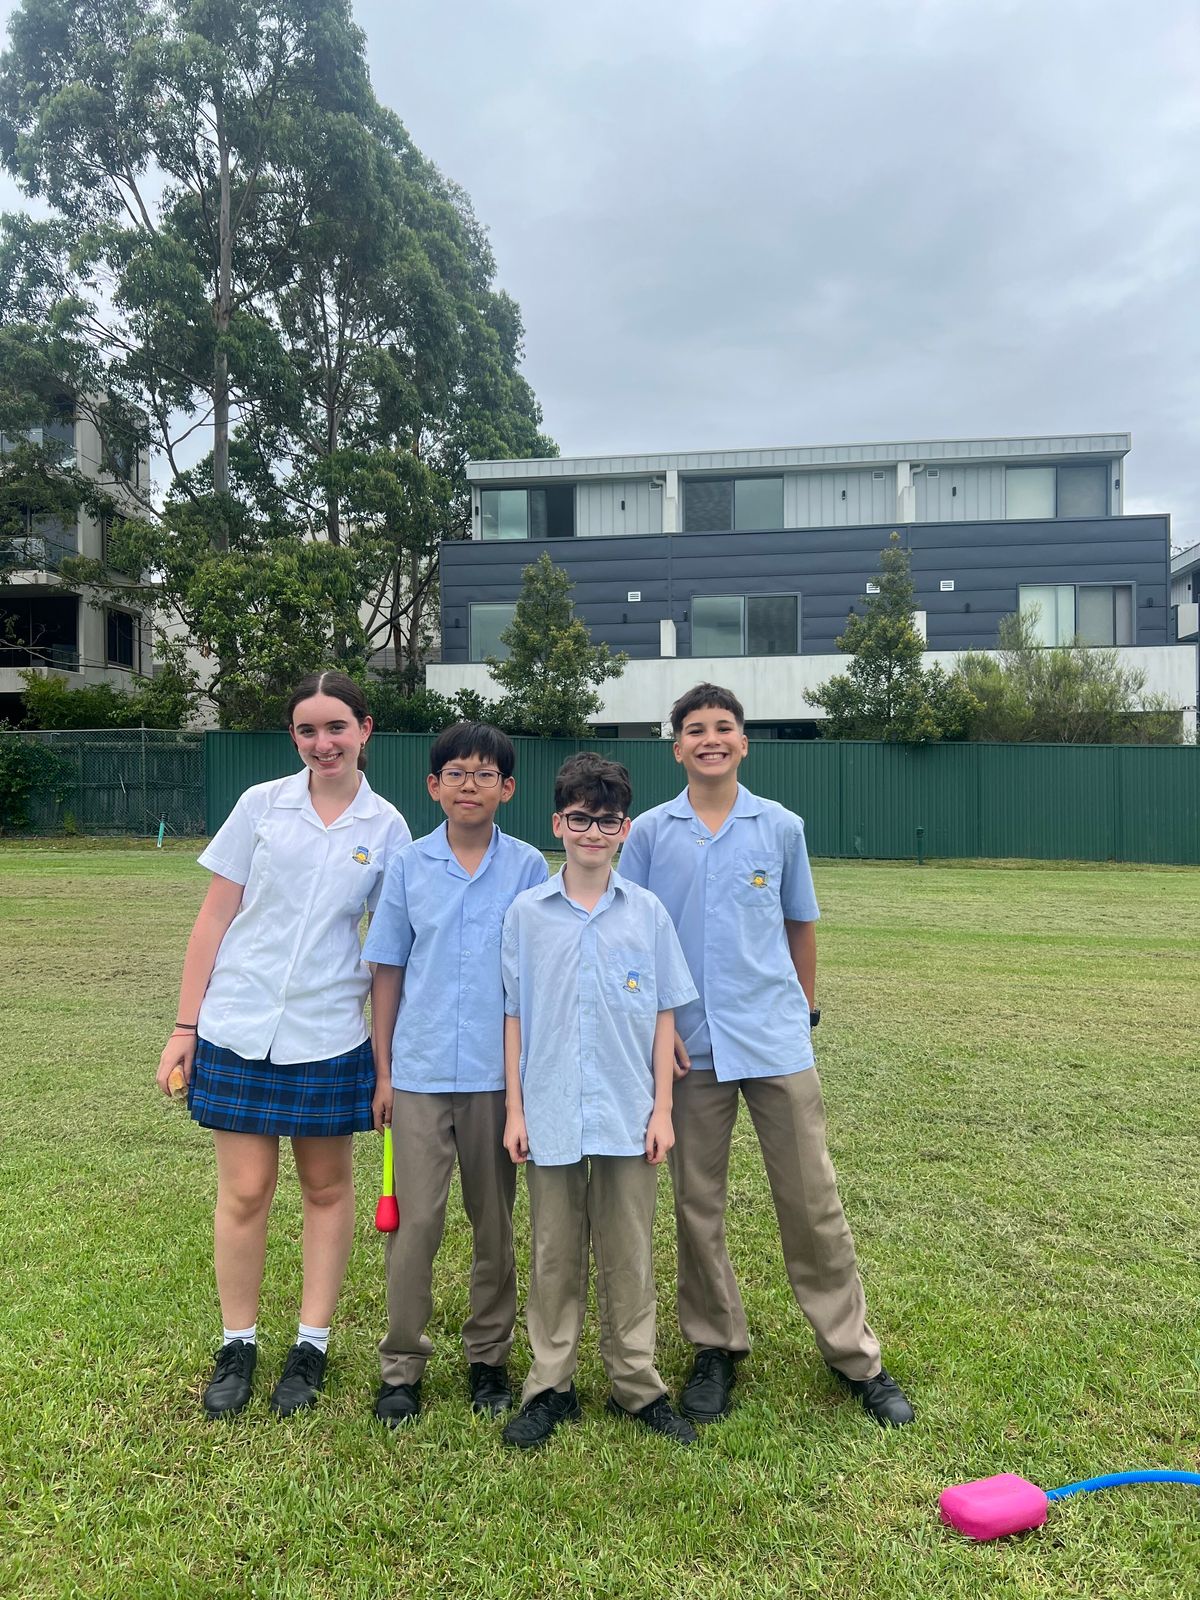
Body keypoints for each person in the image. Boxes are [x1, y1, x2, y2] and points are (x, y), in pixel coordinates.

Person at [619, 683, 915, 1428]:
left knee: (813, 1201)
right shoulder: (649, 833)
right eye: (695, 729)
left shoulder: (780, 827)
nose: (710, 739)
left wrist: (802, 1012)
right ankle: (715, 1347)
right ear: (677, 748)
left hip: (774, 1040)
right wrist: (656, 1031)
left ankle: (854, 1355)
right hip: (688, 1050)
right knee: (697, 1205)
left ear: (744, 743)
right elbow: (633, 936)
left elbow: (799, 925)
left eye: (723, 727)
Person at [155, 671, 410, 1419]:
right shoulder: (260, 805)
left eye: (336, 727)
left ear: (364, 729)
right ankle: (237, 1344)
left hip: (330, 1031)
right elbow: (214, 916)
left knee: (327, 1190)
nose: (323, 743)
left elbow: (389, 951)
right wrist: (184, 1027)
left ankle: (311, 1346)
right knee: (244, 1192)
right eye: (307, 730)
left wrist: (388, 1064)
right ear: (293, 736)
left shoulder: (387, 827)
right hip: (237, 1023)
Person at [499, 753, 699, 1449]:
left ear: (624, 829)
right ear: (558, 823)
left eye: (607, 820)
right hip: (549, 1109)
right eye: (580, 818)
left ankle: (636, 1386)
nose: (592, 832)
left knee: (629, 1253)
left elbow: (665, 1014)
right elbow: (514, 1015)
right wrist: (516, 1110)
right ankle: (550, 1387)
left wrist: (663, 1109)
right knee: (554, 1253)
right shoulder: (527, 915)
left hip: (628, 1110)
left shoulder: (646, 913)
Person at [362, 722, 547, 1425]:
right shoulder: (409, 867)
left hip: (499, 1082)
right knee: (416, 1226)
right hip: (419, 1073)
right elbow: (388, 971)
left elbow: (538, 976)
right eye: (456, 774)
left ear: (508, 788)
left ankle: (488, 1359)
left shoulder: (528, 868)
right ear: (434, 786)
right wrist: (383, 1073)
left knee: (494, 1223)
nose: (471, 785)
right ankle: (401, 1366)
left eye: (485, 774)